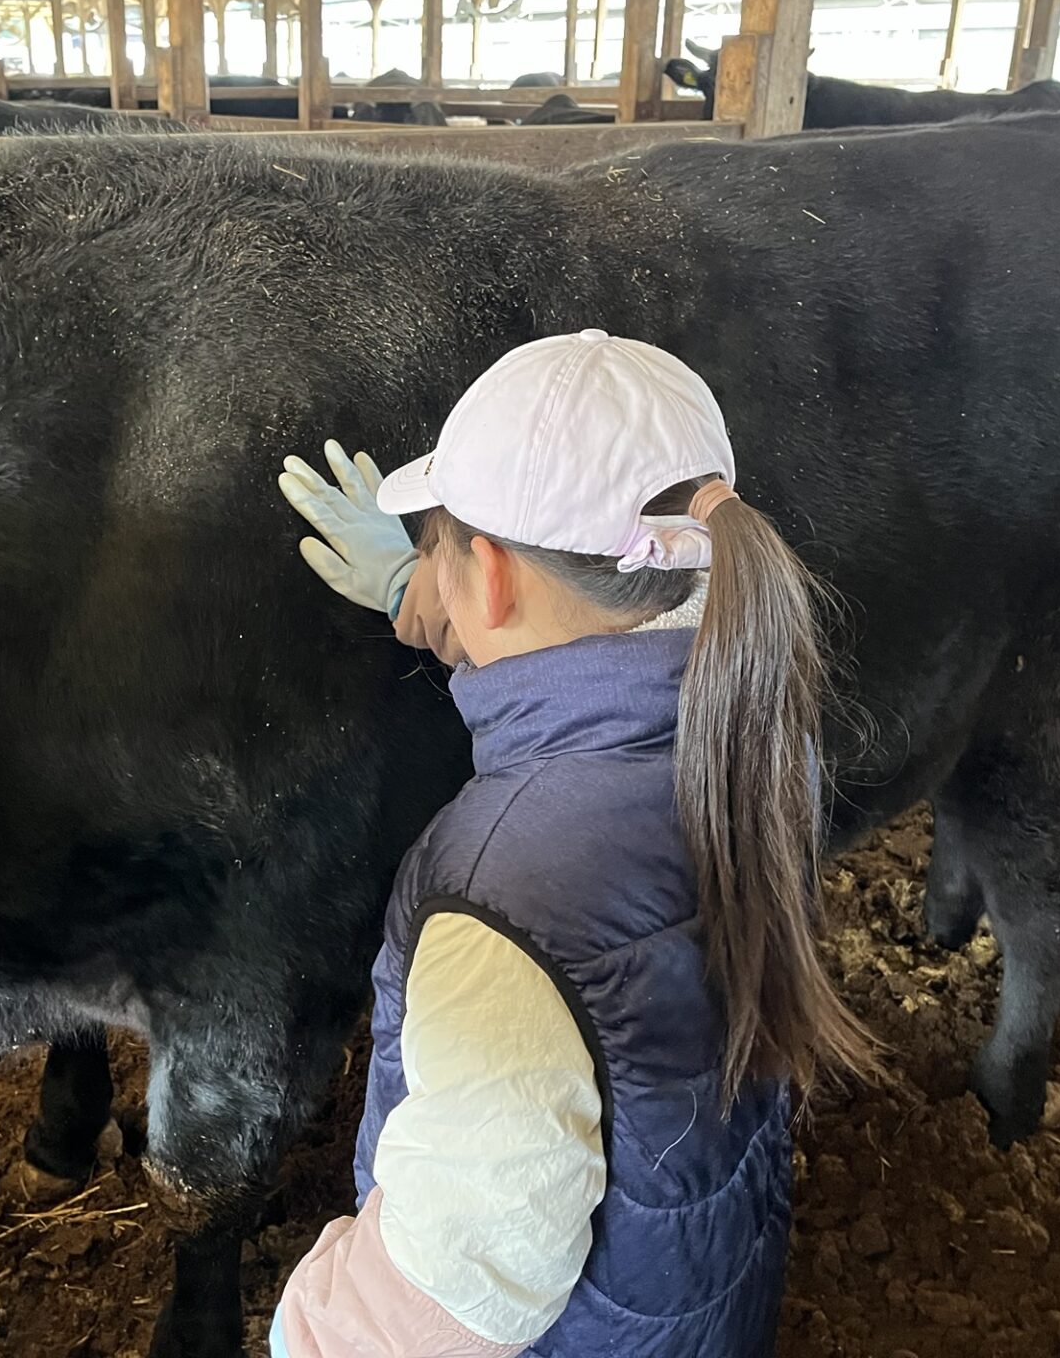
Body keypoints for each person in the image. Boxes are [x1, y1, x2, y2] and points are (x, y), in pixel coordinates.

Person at [270, 330, 878, 1358]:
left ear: (494, 576)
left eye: (438, 548)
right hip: (699, 1287)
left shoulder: (505, 893)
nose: (429, 575)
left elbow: (449, 1292)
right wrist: (422, 596)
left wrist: (308, 1333)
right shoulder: (761, 728)